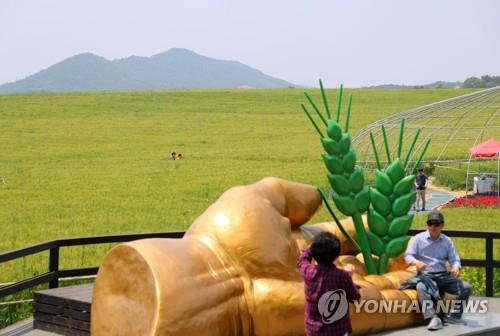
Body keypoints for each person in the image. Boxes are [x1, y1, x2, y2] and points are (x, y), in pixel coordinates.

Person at [403, 210, 472, 331]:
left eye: (436, 224)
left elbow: (454, 259)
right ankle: (432, 318)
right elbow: (408, 255)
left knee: (466, 287)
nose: (432, 227)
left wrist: (456, 267)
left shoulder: (447, 241)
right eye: (430, 224)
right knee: (420, 286)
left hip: (443, 276)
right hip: (425, 275)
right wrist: (416, 262)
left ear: (442, 225)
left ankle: (453, 316)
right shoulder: (419, 238)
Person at [297, 231, 360, 336]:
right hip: (337, 330)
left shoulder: (308, 271)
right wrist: (350, 277)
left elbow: (302, 260)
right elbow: (355, 297)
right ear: (336, 256)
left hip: (313, 330)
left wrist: (312, 247)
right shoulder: (342, 276)